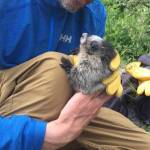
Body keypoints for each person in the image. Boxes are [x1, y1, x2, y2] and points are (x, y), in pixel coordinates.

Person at [0, 0, 150, 150]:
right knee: (56, 71)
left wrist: (99, 78)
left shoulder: (94, 13)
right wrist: (50, 135)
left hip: (63, 114)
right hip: (11, 124)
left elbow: (79, 88)